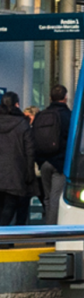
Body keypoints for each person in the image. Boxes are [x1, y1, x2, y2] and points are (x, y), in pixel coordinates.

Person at [34, 84, 71, 225]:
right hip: (60, 163)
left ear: (50, 98)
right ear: (65, 97)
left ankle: (48, 226)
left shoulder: (40, 115)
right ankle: (52, 230)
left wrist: (39, 160)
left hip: (43, 162)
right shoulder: (68, 116)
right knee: (56, 198)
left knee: (48, 198)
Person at [0, 92, 35, 226]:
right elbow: (29, 151)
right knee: (10, 207)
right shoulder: (22, 124)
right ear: (17, 104)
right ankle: (4, 233)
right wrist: (29, 173)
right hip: (15, 173)